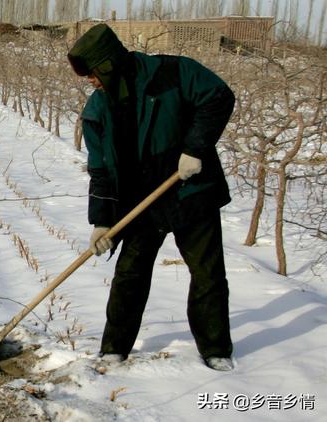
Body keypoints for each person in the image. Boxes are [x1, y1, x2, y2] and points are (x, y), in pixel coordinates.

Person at [67, 23, 235, 371]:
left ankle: (216, 349)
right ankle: (114, 348)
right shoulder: (97, 110)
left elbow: (218, 96)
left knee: (207, 274)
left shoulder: (173, 73)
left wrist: (195, 148)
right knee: (129, 275)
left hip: (189, 192)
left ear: (109, 63)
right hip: (139, 202)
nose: (90, 81)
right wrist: (102, 221)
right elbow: (100, 170)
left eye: (93, 72)